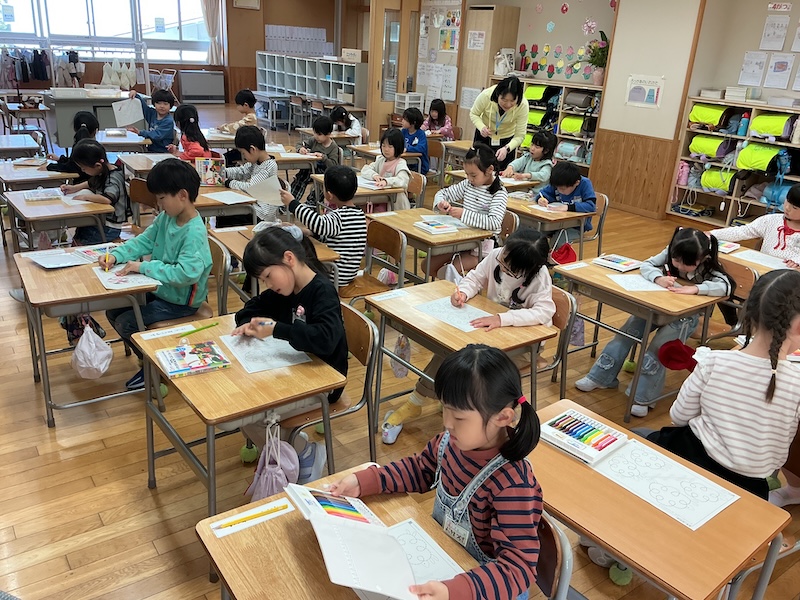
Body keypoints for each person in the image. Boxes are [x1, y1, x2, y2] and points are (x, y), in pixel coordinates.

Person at [330, 345, 543, 600]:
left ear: (503, 418)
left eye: (459, 417)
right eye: (445, 408)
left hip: (484, 587)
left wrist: (455, 591)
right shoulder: (450, 443)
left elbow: (518, 569)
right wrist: (366, 480)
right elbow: (419, 469)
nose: (447, 423)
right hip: (445, 559)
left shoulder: (513, 486)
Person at [383, 228, 555, 444]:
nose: (501, 263)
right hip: (492, 332)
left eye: (508, 267)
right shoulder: (498, 255)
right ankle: (437, 399)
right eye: (503, 258)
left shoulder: (539, 277)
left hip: (523, 343)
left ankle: (421, 402)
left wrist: (502, 318)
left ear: (525, 269)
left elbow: (544, 312)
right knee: (452, 350)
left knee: (464, 361)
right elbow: (474, 278)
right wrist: (463, 292)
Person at [642, 269, 800, 500]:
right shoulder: (796, 383)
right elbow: (779, 450)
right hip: (750, 488)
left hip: (689, 461)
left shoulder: (714, 361)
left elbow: (679, 416)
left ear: (750, 311)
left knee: (637, 438)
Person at [222, 225, 348, 484]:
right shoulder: (286, 290)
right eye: (264, 280)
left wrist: (276, 329)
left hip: (325, 380)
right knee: (241, 410)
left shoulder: (322, 291)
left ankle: (305, 453)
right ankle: (295, 447)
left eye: (269, 276)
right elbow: (250, 308)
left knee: (250, 415)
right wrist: (249, 324)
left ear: (289, 259)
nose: (268, 285)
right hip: (297, 370)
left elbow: (324, 339)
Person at [575, 227, 734, 417]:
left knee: (658, 348)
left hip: (685, 317)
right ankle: (601, 377)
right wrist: (658, 278)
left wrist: (697, 289)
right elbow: (647, 265)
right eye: (676, 261)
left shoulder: (709, 265)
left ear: (702, 258)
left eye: (688, 264)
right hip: (658, 307)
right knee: (625, 334)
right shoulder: (672, 251)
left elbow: (727, 287)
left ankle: (642, 397)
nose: (681, 266)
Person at [100, 159, 212, 390]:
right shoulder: (167, 218)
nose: (158, 205)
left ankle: (156, 369)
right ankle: (149, 359)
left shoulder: (194, 233)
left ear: (182, 195)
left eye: (162, 198)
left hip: (181, 302)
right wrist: (116, 256)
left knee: (127, 323)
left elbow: (186, 274)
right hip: (161, 290)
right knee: (113, 311)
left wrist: (143, 267)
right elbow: (144, 241)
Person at [428, 143, 508, 276]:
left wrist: (463, 214)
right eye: (467, 174)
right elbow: (443, 193)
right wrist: (441, 203)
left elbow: (494, 222)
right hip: (463, 239)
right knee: (428, 266)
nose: (470, 179)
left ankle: (460, 286)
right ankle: (453, 285)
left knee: (448, 272)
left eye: (473, 175)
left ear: (489, 170)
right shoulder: (468, 184)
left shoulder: (499, 192)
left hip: (483, 247)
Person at [281, 165, 367, 288]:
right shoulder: (358, 214)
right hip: (347, 273)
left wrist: (293, 204)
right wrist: (308, 232)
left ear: (330, 195)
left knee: (294, 263)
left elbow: (318, 223)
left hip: (334, 274)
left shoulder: (340, 217)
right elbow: (333, 234)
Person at [710, 183, 800, 269]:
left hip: (791, 274)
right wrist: (712, 234)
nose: (787, 207)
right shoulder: (771, 220)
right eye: (787, 201)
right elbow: (743, 231)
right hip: (763, 268)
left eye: (794, 207)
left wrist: (797, 261)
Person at [60, 139, 129, 246]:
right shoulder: (104, 170)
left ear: (97, 165)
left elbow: (107, 199)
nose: (82, 171)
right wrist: (74, 188)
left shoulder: (113, 178)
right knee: (80, 231)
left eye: (84, 168)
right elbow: (91, 183)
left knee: (80, 241)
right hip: (102, 221)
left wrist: (85, 197)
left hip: (109, 227)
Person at [216, 125, 278, 225]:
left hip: (261, 214)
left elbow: (250, 187)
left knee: (225, 215)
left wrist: (230, 183)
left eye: (243, 153)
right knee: (223, 214)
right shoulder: (256, 162)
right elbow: (242, 171)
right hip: (254, 206)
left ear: (252, 149)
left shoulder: (268, 166)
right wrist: (224, 172)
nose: (244, 157)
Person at [469, 76, 528, 170]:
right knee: (479, 169)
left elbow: (520, 135)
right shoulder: (486, 95)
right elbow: (474, 114)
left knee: (502, 172)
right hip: (484, 136)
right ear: (498, 94)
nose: (508, 105)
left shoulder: (523, 105)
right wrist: (481, 127)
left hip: (507, 141)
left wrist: (507, 148)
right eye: (504, 100)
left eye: (512, 101)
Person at [536, 161, 596, 245]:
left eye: (563, 189)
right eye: (557, 188)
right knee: (534, 234)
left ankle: (551, 253)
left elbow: (591, 206)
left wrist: (568, 207)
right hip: (555, 222)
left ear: (576, 183)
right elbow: (543, 193)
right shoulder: (558, 182)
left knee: (557, 243)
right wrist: (541, 199)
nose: (559, 191)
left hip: (576, 226)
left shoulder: (585, 184)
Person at [289, 116, 339, 206]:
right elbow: (300, 144)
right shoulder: (314, 140)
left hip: (324, 173)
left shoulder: (333, 147)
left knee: (320, 186)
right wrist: (301, 149)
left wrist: (323, 157)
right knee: (301, 179)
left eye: (319, 134)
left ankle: (310, 204)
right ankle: (290, 202)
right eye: (315, 133)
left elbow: (334, 165)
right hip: (309, 170)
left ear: (328, 134)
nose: (316, 136)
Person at [360, 128, 412, 211]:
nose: (386, 149)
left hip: (394, 203)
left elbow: (402, 180)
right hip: (379, 198)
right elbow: (365, 169)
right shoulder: (380, 159)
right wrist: (374, 175)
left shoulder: (400, 163)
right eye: (383, 146)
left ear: (398, 147)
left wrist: (386, 181)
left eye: (390, 147)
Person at [45, 110, 98, 183]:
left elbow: (73, 167)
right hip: (87, 183)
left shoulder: (82, 146)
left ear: (75, 129)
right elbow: (74, 163)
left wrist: (49, 167)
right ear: (95, 131)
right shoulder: (92, 145)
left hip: (84, 184)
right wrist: (59, 159)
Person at [500, 130, 557, 196]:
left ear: (546, 151)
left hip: (537, 194)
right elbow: (518, 162)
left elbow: (544, 175)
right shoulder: (528, 157)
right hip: (524, 190)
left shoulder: (547, 164)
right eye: (532, 144)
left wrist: (526, 175)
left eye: (537, 147)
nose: (532, 148)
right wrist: (510, 168)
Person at [127, 88, 176, 154]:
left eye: (165, 104)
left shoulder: (168, 121)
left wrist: (140, 132)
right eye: (159, 103)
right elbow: (143, 107)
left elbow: (157, 135)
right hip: (151, 149)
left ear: (170, 106)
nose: (162, 106)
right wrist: (135, 94)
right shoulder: (152, 113)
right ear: (154, 104)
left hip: (163, 152)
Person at [218, 89, 259, 166]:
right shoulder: (249, 116)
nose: (237, 107)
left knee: (224, 158)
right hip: (246, 147)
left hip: (246, 150)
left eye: (238, 105)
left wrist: (224, 127)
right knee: (226, 157)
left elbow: (236, 126)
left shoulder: (251, 117)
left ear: (245, 105)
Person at [401, 107, 429, 175]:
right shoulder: (403, 131)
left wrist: (407, 149)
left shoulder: (421, 134)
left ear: (413, 122)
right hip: (406, 163)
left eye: (405, 119)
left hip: (420, 166)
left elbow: (421, 148)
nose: (402, 121)